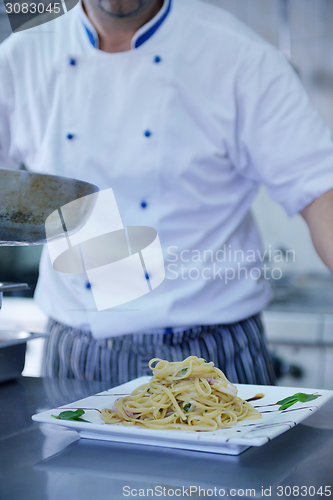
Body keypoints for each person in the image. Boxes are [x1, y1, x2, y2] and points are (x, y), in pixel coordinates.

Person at [1, 0, 333, 386]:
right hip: (79, 350)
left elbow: (321, 189)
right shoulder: (22, 54)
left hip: (215, 350)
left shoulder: (239, 54)